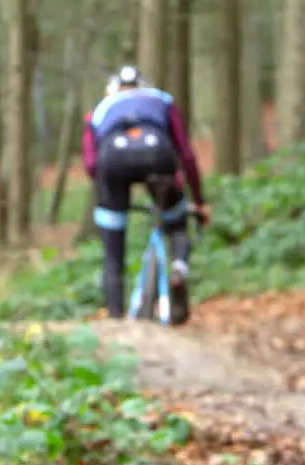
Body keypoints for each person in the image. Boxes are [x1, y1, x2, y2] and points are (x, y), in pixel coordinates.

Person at [81, 65, 210, 322]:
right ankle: (178, 268)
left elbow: (91, 164)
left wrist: (109, 191)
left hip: (112, 161)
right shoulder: (161, 100)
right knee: (176, 221)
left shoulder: (99, 109)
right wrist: (198, 200)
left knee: (113, 250)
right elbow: (185, 153)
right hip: (157, 154)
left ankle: (116, 317)